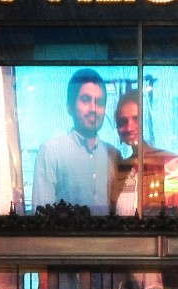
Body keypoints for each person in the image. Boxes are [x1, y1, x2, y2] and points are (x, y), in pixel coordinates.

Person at [32, 68, 116, 215]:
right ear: (69, 107)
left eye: (100, 102)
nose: (93, 108)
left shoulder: (112, 154)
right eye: (86, 100)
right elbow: (41, 215)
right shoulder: (51, 151)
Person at [111, 88, 178, 215]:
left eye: (136, 119)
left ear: (146, 121)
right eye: (122, 122)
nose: (129, 128)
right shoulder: (122, 168)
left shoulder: (170, 164)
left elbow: (177, 214)